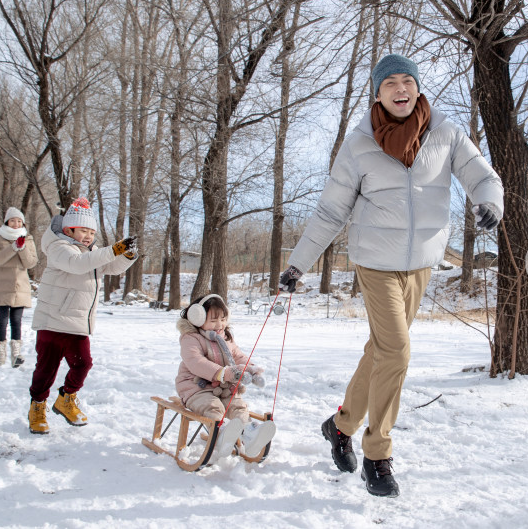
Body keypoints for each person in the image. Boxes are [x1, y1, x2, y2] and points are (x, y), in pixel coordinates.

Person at [279, 54, 504, 498]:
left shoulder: (446, 132)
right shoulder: (359, 142)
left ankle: (339, 426)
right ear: (377, 93)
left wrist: (489, 203)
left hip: (420, 262)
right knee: (397, 351)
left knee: (381, 351)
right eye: (390, 84)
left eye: (408, 81)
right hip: (374, 262)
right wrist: (297, 263)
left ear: (417, 88)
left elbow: (482, 175)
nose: (400, 89)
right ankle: (377, 455)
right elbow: (331, 210)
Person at [27, 197, 138, 435]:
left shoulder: (93, 253)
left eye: (91, 232)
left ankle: (66, 398)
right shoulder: (59, 248)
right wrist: (114, 249)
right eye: (83, 231)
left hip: (77, 324)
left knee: (83, 364)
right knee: (46, 369)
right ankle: (37, 406)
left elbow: (110, 267)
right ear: (69, 230)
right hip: (52, 321)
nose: (88, 236)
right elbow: (78, 264)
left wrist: (126, 257)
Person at [175, 293, 275, 459]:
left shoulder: (225, 337)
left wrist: (250, 368)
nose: (219, 324)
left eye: (222, 319)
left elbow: (237, 355)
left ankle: (248, 433)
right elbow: (196, 362)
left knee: (238, 406)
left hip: (225, 388)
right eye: (213, 320)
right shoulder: (191, 338)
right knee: (214, 407)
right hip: (196, 388)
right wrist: (223, 373)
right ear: (197, 318)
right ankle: (221, 435)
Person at [0, 207, 38, 367]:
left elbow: (31, 262)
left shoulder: (28, 239)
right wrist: (13, 247)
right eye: (13, 220)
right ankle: (1, 352)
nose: (16, 224)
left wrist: (22, 248)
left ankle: (16, 354)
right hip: (1, 285)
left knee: (17, 320)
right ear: (7, 222)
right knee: (1, 321)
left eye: (19, 221)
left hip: (20, 286)